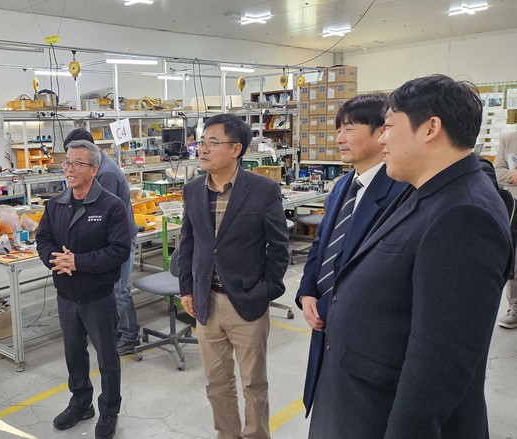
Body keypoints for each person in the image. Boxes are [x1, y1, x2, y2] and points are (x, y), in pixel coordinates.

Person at [308, 74, 514, 439]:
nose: (382, 139)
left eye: (389, 127)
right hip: (359, 398)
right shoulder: (425, 188)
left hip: (382, 412)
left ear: (431, 128)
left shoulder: (465, 214)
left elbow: (440, 365)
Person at [177, 113, 290, 439]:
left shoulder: (263, 190)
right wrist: (187, 288)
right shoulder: (193, 190)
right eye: (202, 142)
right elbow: (188, 242)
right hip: (206, 302)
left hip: (247, 302)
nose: (203, 149)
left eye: (213, 143)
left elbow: (279, 247)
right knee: (216, 382)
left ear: (236, 149)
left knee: (254, 383)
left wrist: (266, 290)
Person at [295, 94, 406, 416]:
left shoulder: (402, 192)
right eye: (338, 130)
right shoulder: (343, 185)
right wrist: (307, 293)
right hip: (325, 327)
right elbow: (320, 246)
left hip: (365, 340)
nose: (339, 139)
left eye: (349, 129)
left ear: (381, 132)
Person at [36, 139, 131, 439]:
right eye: (67, 163)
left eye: (78, 164)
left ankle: (109, 410)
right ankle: (80, 403)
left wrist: (78, 262)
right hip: (66, 295)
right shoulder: (55, 204)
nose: (70, 169)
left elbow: (119, 250)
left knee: (107, 358)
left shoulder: (111, 206)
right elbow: (43, 240)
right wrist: (58, 261)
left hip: (98, 297)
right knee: (74, 354)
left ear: (93, 169)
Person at [63, 128, 140, 355]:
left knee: (119, 287)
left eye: (77, 160)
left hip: (119, 237)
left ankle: (129, 336)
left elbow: (101, 211)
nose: (72, 166)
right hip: (110, 235)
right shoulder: (99, 165)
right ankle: (114, 331)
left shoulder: (105, 174)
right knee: (110, 286)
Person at [493, 129, 517, 328]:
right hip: (515, 205)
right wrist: (513, 175)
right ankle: (514, 307)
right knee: (515, 262)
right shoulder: (509, 139)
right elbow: (497, 171)